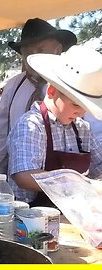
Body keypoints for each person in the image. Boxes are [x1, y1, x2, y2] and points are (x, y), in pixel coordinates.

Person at [7, 46, 102, 206]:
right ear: (51, 91)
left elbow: (99, 165)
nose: (80, 112)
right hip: (32, 218)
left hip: (73, 214)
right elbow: (24, 176)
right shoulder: (31, 125)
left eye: (85, 107)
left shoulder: (82, 128)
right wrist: (80, 185)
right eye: (76, 105)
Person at [0, 18, 77, 179]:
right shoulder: (13, 86)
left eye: (40, 50)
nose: (33, 57)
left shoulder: (73, 86)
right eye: (28, 53)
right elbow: (1, 132)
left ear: (57, 50)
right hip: (18, 183)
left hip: (65, 184)